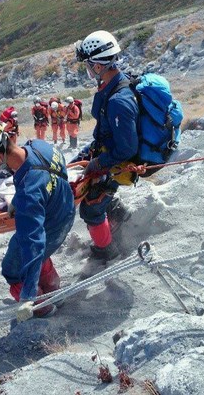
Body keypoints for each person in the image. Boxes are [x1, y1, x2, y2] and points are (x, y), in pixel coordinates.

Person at [0, 119, 75, 320]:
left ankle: (41, 307)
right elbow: (52, 174)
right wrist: (19, 199)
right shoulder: (39, 146)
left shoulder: (29, 195)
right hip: (64, 207)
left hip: (53, 226)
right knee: (32, 252)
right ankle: (54, 292)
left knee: (12, 269)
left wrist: (27, 296)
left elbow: (34, 243)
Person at [72, 30, 136, 263]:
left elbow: (127, 149)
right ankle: (118, 214)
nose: (88, 70)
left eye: (89, 66)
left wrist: (98, 162)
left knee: (91, 208)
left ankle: (107, 251)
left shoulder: (119, 101)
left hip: (117, 158)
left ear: (98, 66)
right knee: (73, 172)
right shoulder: (114, 84)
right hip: (104, 147)